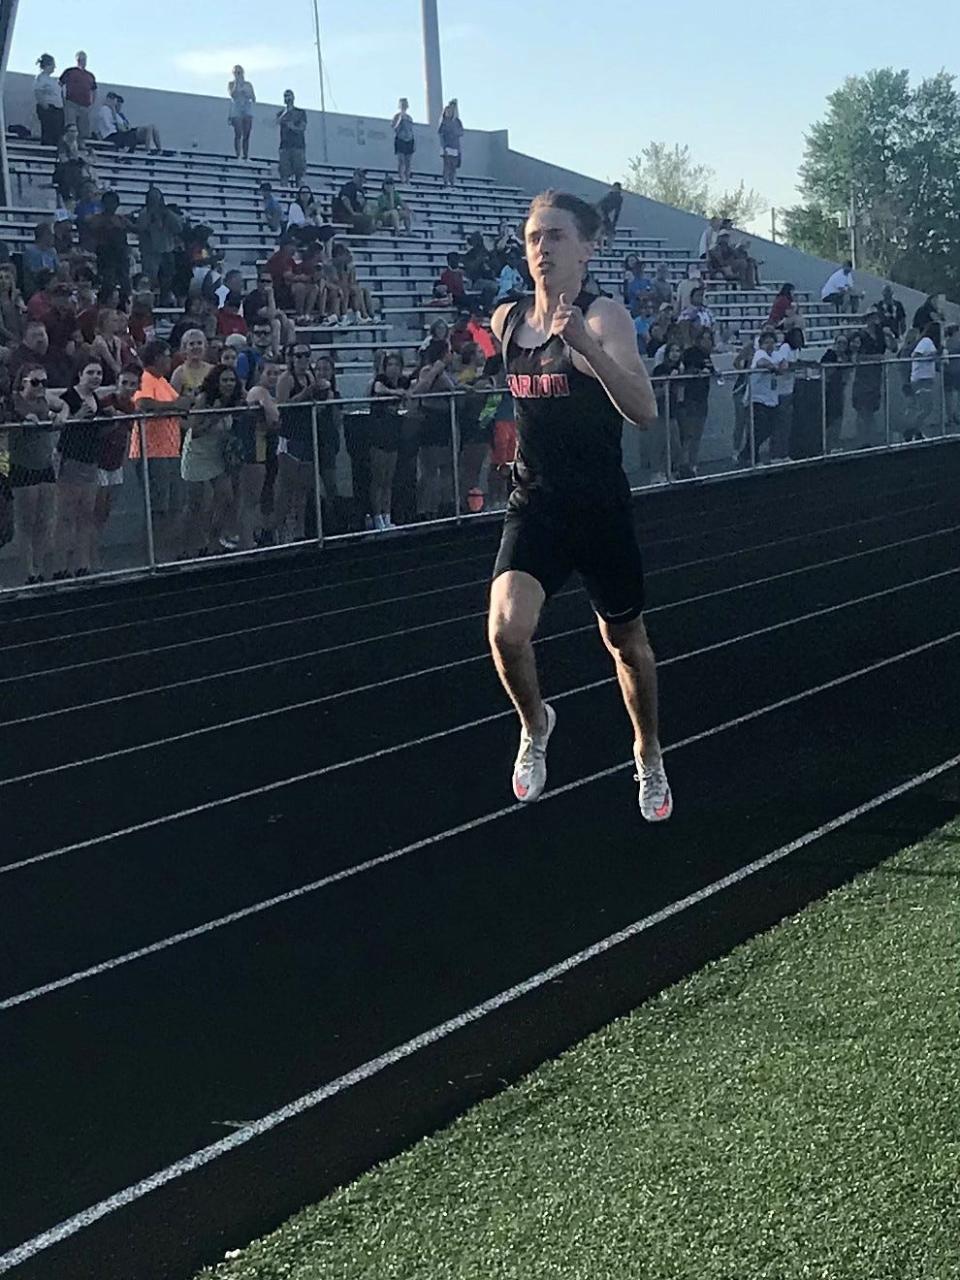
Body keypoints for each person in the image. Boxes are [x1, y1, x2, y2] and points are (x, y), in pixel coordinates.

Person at [487, 189, 667, 820]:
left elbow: (643, 410)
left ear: (587, 249)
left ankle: (647, 753)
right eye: (535, 238)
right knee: (506, 631)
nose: (542, 249)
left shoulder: (604, 319)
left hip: (599, 509)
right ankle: (536, 725)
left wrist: (586, 353)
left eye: (556, 237)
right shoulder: (506, 321)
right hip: (535, 501)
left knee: (625, 643)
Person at [131, 340, 194, 559]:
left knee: (173, 504)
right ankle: (150, 555)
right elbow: (143, 404)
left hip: (170, 448)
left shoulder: (163, 382)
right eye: (167, 355)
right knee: (158, 507)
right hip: (152, 450)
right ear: (157, 357)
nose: (170, 360)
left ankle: (164, 552)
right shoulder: (146, 378)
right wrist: (175, 405)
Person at [8, 363, 68, 584]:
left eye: (44, 381)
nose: (40, 386)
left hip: (45, 464)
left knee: (44, 519)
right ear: (23, 381)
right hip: (23, 465)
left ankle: (40, 566)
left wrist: (61, 415)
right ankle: (28, 571)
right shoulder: (13, 401)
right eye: (35, 382)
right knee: (26, 521)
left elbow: (63, 404)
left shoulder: (45, 399)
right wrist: (22, 421)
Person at [180, 363, 239, 556]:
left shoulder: (235, 398)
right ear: (216, 381)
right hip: (197, 452)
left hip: (217, 453)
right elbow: (195, 430)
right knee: (194, 503)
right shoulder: (204, 399)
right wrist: (215, 415)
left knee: (226, 496)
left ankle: (214, 537)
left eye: (232, 380)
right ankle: (188, 545)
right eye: (225, 380)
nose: (229, 384)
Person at [56, 360, 106, 577]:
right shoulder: (70, 397)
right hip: (72, 461)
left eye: (99, 373)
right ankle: (61, 566)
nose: (95, 376)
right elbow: (63, 421)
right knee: (67, 515)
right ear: (80, 374)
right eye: (90, 372)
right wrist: (75, 418)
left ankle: (82, 564)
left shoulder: (96, 398)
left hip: (91, 461)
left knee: (86, 514)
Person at [410, 339, 459, 520]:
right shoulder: (428, 370)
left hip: (445, 420)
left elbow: (454, 387)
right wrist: (436, 369)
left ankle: (444, 505)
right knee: (430, 469)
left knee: (446, 466)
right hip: (431, 419)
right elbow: (419, 390)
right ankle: (423, 509)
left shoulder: (448, 372)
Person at [95, 364, 140, 553]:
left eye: (132, 384)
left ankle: (95, 545)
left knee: (107, 510)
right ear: (117, 383)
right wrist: (114, 420)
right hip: (99, 461)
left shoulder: (131, 406)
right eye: (124, 383)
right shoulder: (106, 402)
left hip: (116, 461)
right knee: (98, 507)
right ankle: (91, 552)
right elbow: (98, 430)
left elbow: (130, 429)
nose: (128, 388)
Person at [236, 360, 281, 548]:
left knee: (266, 493)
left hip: (267, 448)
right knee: (251, 498)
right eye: (269, 373)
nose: (273, 378)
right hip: (255, 448)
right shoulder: (258, 391)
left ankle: (263, 532)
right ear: (260, 373)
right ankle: (246, 540)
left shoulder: (269, 394)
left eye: (276, 374)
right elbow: (273, 418)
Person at [367, 350, 411, 530]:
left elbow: (414, 386)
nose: (393, 369)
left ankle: (387, 514)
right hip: (378, 432)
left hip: (394, 433)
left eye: (396, 365)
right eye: (390, 365)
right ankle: (376, 516)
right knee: (378, 478)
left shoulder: (403, 382)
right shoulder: (381, 381)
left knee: (389, 479)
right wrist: (397, 393)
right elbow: (379, 389)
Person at [676, 330, 717, 478]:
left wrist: (711, 372)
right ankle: (683, 465)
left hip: (702, 398)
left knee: (697, 435)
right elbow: (685, 370)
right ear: (698, 340)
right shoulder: (690, 353)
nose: (707, 342)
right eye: (704, 339)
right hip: (690, 399)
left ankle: (693, 464)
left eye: (709, 339)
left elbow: (712, 371)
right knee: (688, 435)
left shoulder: (707, 355)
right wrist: (697, 372)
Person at [738, 330, 781, 466]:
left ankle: (746, 454)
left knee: (768, 429)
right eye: (767, 342)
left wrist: (781, 366)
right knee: (759, 429)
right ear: (761, 344)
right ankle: (751, 457)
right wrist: (772, 367)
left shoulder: (775, 354)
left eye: (772, 342)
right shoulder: (759, 353)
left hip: (771, 399)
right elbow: (762, 363)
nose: (770, 345)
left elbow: (784, 362)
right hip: (757, 399)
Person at [133, 185, 181, 302]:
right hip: (150, 253)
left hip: (167, 251)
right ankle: (150, 302)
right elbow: (141, 228)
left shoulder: (168, 214)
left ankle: (165, 301)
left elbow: (178, 228)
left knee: (167, 280)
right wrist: (152, 218)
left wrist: (166, 215)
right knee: (150, 280)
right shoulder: (144, 214)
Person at [86, 191, 132, 304]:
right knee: (108, 283)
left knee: (125, 284)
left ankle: (124, 305)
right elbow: (91, 226)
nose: (111, 206)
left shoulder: (121, 219)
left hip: (121, 256)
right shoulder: (97, 219)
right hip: (106, 257)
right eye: (108, 203)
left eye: (113, 203)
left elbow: (136, 228)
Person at [94, 91, 162, 153]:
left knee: (153, 127)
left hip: (126, 131)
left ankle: (158, 150)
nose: (119, 106)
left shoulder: (120, 115)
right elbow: (112, 126)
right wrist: (113, 110)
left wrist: (124, 127)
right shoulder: (105, 110)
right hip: (118, 135)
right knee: (149, 128)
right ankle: (148, 151)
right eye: (117, 103)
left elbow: (126, 126)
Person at [906, 323, 941, 441]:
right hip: (921, 379)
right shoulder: (926, 341)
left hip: (927, 378)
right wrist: (930, 357)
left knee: (925, 407)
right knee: (926, 407)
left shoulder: (931, 343)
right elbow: (915, 355)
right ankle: (911, 430)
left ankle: (917, 432)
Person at [820, 333, 852, 452]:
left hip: (840, 390)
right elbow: (826, 371)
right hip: (829, 390)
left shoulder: (846, 357)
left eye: (844, 343)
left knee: (839, 416)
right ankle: (827, 445)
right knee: (830, 418)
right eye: (839, 343)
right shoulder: (829, 354)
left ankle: (835, 443)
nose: (842, 346)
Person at [59, 51, 96, 141]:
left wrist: (92, 104)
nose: (82, 61)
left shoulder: (90, 76)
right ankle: (69, 146)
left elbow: (94, 90)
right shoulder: (69, 72)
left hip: (84, 105)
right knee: (71, 127)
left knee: (83, 129)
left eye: (84, 59)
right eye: (80, 59)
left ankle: (81, 146)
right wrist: (62, 100)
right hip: (71, 104)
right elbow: (59, 84)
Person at [276, 89, 307, 185]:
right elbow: (276, 122)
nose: (287, 98)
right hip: (285, 147)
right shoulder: (281, 113)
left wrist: (292, 127)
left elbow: (302, 128)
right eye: (285, 96)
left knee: (299, 174)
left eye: (289, 96)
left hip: (298, 146)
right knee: (284, 173)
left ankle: (299, 195)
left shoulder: (300, 113)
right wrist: (285, 114)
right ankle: (284, 196)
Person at [171, 329, 213, 396]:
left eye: (199, 343)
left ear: (205, 346)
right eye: (191, 344)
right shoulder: (179, 373)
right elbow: (174, 400)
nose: (196, 347)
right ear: (184, 348)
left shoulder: (212, 370)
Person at [34, 54, 64, 148]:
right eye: (53, 64)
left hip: (57, 109)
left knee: (57, 133)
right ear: (48, 65)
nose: (54, 67)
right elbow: (38, 92)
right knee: (48, 131)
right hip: (49, 108)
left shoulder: (51, 80)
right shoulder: (41, 78)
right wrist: (46, 107)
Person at [22, 223, 59, 299]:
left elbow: (57, 268)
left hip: (52, 282)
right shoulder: (30, 251)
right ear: (44, 236)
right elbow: (34, 273)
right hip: (36, 286)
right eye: (50, 235)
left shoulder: (52, 251)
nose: (53, 237)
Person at [332, 169, 373, 234]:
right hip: (345, 216)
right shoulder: (349, 186)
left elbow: (363, 205)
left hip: (354, 217)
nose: (361, 179)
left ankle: (360, 238)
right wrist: (353, 212)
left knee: (371, 219)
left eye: (363, 177)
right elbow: (345, 199)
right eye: (360, 176)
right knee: (366, 220)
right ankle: (358, 239)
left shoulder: (361, 191)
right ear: (355, 176)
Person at [228, 65, 255, 160]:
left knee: (246, 134)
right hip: (237, 111)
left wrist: (246, 93)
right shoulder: (231, 84)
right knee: (238, 133)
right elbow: (232, 95)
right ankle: (238, 155)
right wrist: (237, 84)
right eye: (236, 73)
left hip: (247, 110)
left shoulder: (248, 84)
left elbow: (253, 97)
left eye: (239, 72)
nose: (238, 74)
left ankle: (246, 155)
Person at [438, 100, 463, 186]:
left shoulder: (457, 122)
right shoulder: (443, 123)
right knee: (447, 166)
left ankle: (452, 183)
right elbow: (441, 135)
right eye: (447, 111)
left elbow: (461, 133)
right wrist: (443, 147)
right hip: (447, 147)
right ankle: (446, 183)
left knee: (453, 167)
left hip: (455, 147)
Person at [392, 97, 415, 183]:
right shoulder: (397, 116)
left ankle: (407, 178)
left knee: (408, 161)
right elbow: (395, 129)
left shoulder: (409, 118)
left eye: (405, 104)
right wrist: (400, 120)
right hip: (400, 140)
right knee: (401, 160)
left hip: (409, 140)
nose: (404, 106)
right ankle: (401, 177)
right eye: (402, 104)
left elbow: (411, 130)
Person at [596, 182, 623, 250]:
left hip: (604, 213)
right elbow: (600, 204)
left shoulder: (619, 198)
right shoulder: (609, 195)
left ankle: (608, 248)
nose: (615, 190)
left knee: (610, 231)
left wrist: (614, 222)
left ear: (619, 190)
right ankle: (602, 248)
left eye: (616, 188)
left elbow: (617, 211)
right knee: (604, 229)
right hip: (600, 211)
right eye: (614, 188)